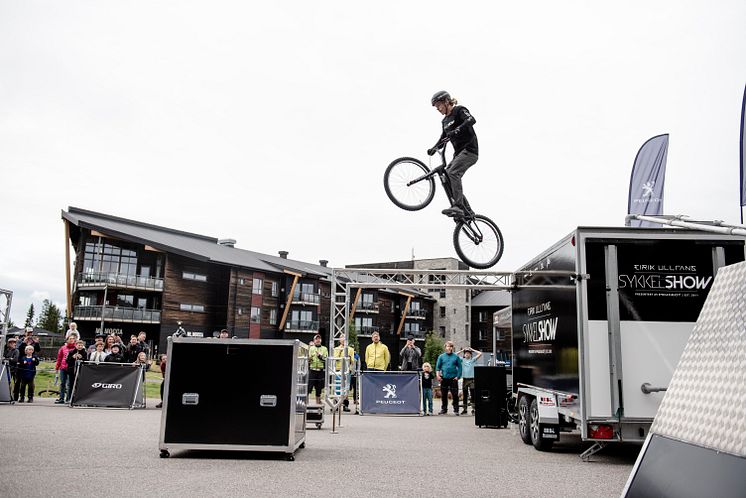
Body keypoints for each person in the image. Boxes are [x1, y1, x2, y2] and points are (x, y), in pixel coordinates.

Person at [427, 90, 479, 218]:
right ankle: (467, 212)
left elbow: (471, 120)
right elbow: (443, 137)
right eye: (436, 107)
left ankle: (458, 206)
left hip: (470, 150)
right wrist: (434, 148)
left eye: (439, 105)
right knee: (447, 176)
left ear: (446, 101)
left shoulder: (459, 110)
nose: (438, 109)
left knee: (452, 173)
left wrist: (457, 130)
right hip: (459, 154)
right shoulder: (444, 121)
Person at [436, 341, 462, 415]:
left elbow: (460, 367)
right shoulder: (441, 356)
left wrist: (458, 376)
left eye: (450, 346)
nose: (449, 348)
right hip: (444, 378)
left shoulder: (456, 357)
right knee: (444, 394)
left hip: (453, 378)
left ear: (452, 348)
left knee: (455, 394)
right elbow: (438, 367)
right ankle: (444, 409)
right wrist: (438, 376)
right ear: (445, 347)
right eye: (447, 346)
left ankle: (456, 410)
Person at [457, 347, 482, 415]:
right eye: (466, 353)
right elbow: (455, 355)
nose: (467, 354)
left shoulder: (473, 360)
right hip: (465, 379)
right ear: (464, 355)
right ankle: (465, 409)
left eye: (468, 353)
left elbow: (480, 353)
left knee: (472, 393)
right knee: (465, 394)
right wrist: (462, 350)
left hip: (472, 379)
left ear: (470, 354)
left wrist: (472, 349)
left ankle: (474, 409)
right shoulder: (462, 360)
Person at [54, 333, 78, 404]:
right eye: (70, 339)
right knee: (62, 383)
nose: (71, 340)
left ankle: (69, 398)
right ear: (67, 340)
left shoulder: (76, 348)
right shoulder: (63, 348)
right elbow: (59, 358)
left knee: (70, 384)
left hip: (71, 368)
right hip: (63, 367)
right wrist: (57, 367)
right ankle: (61, 398)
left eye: (73, 339)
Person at [333, 337, 355, 412]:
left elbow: (352, 361)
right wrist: (340, 351)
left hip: (347, 370)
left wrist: (349, 359)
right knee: (337, 387)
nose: (343, 340)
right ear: (339, 340)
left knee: (346, 388)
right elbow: (335, 359)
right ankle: (336, 405)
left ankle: (345, 405)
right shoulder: (336, 349)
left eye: (344, 339)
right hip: (338, 369)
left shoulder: (351, 349)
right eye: (341, 339)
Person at [308, 334, 328, 405]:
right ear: (314, 341)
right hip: (312, 370)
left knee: (319, 387)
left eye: (319, 339)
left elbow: (326, 359)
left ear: (321, 340)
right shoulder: (311, 348)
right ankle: (305, 401)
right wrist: (309, 359)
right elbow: (309, 358)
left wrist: (319, 356)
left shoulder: (324, 349)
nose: (318, 340)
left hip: (320, 370)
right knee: (309, 386)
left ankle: (318, 401)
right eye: (316, 339)